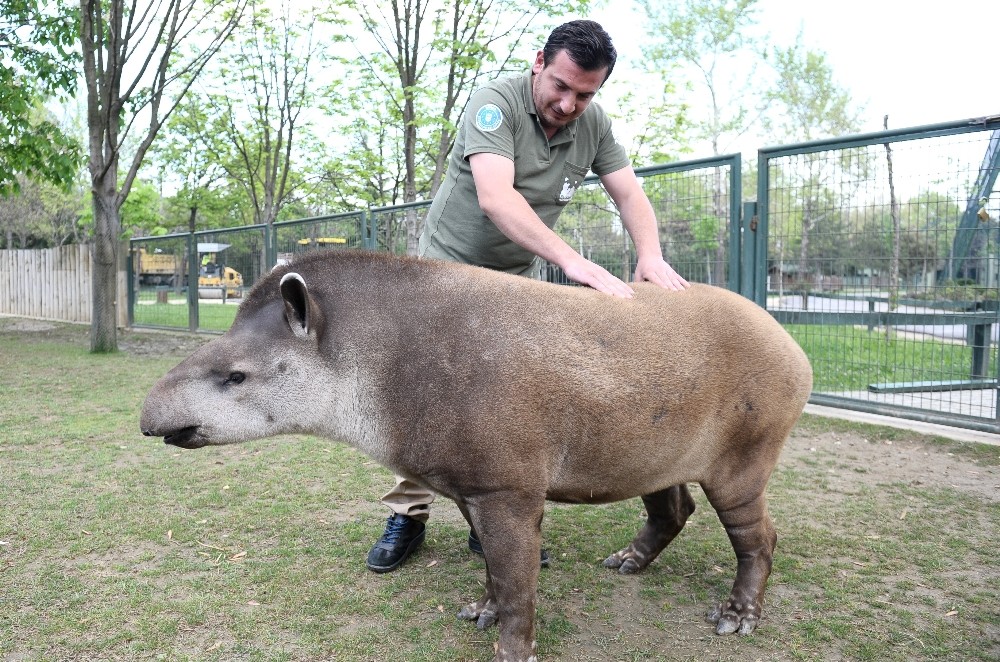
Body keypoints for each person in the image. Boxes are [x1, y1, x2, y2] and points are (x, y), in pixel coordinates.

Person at [365, 19, 690, 573]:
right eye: (561, 86)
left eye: (585, 94)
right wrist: (572, 261)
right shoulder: (495, 102)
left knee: (510, 400)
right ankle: (409, 512)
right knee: (427, 395)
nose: (569, 103)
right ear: (540, 61)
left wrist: (650, 254)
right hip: (447, 271)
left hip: (515, 279)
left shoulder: (594, 125)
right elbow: (496, 196)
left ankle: (497, 518)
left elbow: (629, 191)